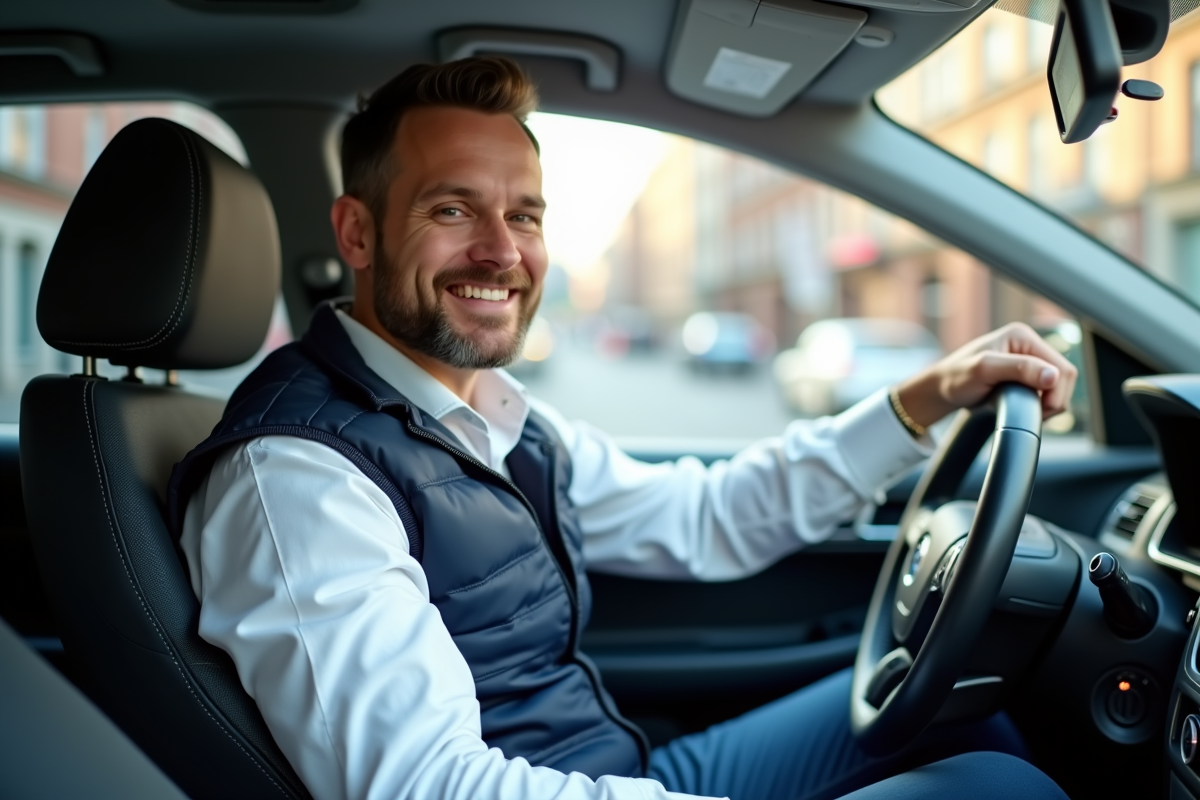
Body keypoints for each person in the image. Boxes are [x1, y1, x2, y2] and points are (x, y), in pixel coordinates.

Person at [171, 57, 1077, 800]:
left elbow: (707, 515)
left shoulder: (489, 414)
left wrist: (929, 395)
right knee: (1005, 789)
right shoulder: (298, 474)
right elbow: (428, 786)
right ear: (358, 234)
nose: (502, 250)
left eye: (523, 214)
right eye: (452, 210)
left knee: (965, 711)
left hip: (612, 771)